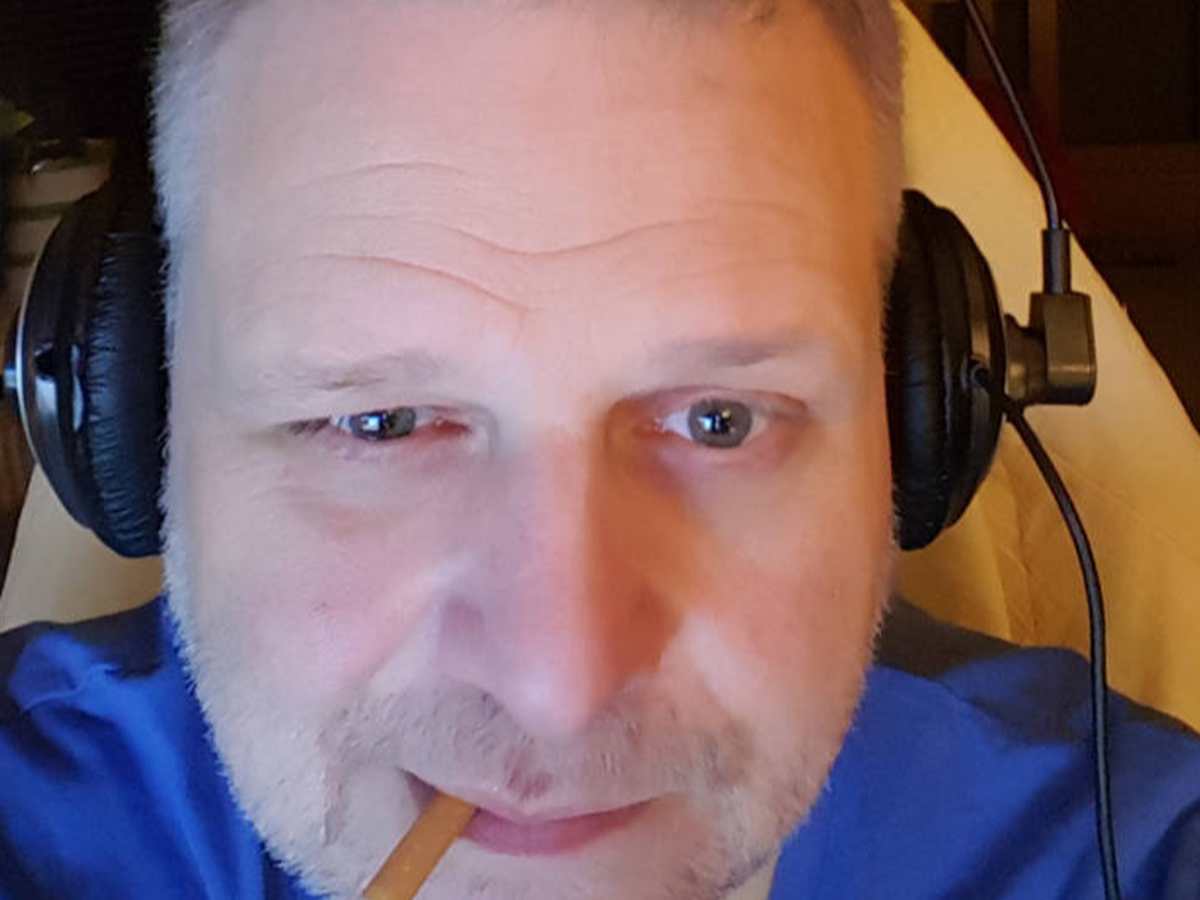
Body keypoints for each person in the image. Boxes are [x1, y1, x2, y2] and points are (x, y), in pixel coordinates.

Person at [1, 1, 1198, 898]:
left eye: (720, 419)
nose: (558, 689)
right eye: (381, 422)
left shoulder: (1130, 852)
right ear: (139, 429)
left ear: (918, 425)